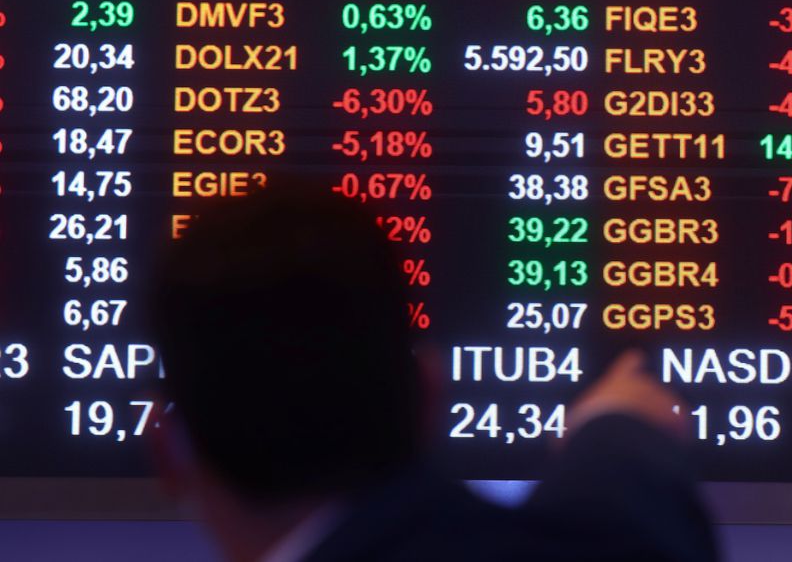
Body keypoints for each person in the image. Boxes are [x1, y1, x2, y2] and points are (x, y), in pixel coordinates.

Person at [147, 185, 718, 562]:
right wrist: (616, 428)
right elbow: (622, 517)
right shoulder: (626, 542)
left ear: (167, 451)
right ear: (430, 395)